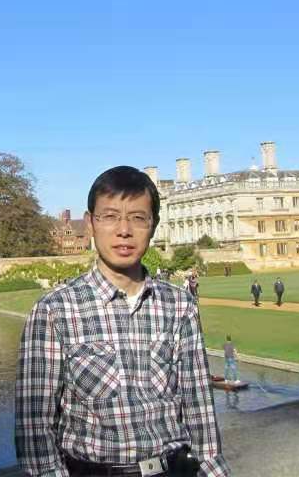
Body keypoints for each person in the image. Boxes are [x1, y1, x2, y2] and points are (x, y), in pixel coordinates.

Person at [15, 166, 229, 477]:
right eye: (110, 216)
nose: (124, 230)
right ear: (91, 223)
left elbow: (200, 413)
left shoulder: (180, 305)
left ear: (153, 225)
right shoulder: (54, 311)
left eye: (138, 218)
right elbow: (35, 432)